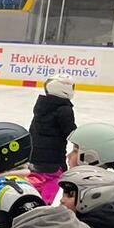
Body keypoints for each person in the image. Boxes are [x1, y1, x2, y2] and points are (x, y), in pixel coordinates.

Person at [28, 75, 77, 203]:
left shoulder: (41, 105)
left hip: (33, 157)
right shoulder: (64, 109)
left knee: (34, 186)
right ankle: (43, 206)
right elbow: (71, 133)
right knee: (50, 185)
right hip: (53, 161)